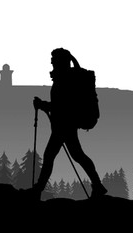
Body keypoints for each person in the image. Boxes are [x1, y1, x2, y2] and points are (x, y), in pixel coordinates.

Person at [28, 48, 107, 200]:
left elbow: (61, 106)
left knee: (52, 156)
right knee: (77, 155)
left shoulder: (64, 79)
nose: (51, 61)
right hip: (65, 124)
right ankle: (98, 185)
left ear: (60, 61)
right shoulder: (64, 77)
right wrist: (44, 105)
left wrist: (42, 105)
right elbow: (61, 105)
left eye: (53, 58)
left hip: (64, 125)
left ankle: (37, 190)